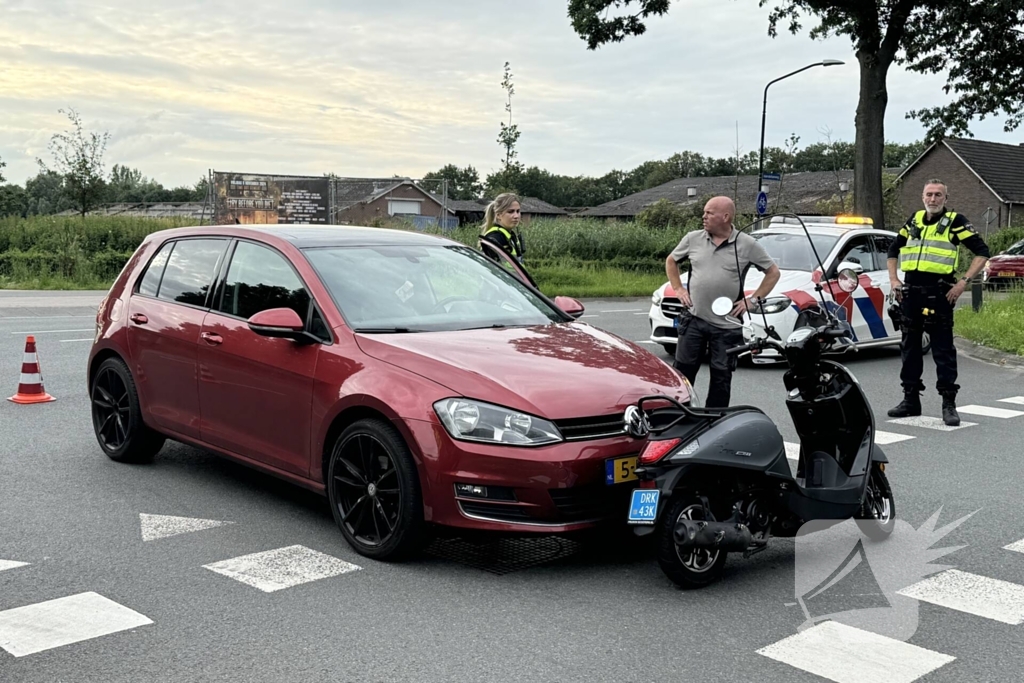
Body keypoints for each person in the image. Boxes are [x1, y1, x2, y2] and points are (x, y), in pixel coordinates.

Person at [886, 179, 990, 426]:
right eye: (929, 195)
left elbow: (982, 252)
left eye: (938, 195)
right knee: (910, 349)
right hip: (910, 293)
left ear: (946, 198)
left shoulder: (955, 222)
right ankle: (910, 400)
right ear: (922, 196)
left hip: (940, 293)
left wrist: (963, 282)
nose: (933, 199)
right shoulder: (914, 220)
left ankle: (948, 404)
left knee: (943, 351)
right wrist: (894, 280)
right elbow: (893, 250)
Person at [666, 196, 781, 407]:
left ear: (725, 216)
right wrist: (678, 288)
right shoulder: (693, 238)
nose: (704, 216)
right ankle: (676, 414)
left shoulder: (747, 244)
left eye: (709, 212)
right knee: (682, 372)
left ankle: (714, 420)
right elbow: (671, 260)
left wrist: (752, 300)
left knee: (721, 376)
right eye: (704, 212)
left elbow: (773, 272)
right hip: (694, 318)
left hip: (727, 325)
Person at [480, 193, 525, 264]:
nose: (516, 216)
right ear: (498, 215)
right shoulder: (495, 237)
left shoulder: (509, 235)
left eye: (518, 211)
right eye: (511, 212)